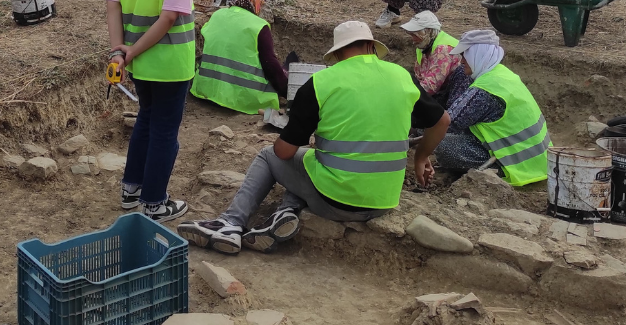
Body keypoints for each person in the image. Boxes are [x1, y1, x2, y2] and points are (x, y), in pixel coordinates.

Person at [178, 21, 450, 255]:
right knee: (309, 163)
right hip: (384, 201)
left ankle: (230, 223)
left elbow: (283, 152)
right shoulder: (402, 76)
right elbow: (442, 121)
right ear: (371, 47)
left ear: (338, 53)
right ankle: (284, 213)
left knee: (271, 156)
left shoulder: (322, 82)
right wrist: (421, 157)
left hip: (336, 202)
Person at [107, 0, 205, 222]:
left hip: (137, 61)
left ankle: (131, 191)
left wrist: (120, 52)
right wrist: (130, 53)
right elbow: (168, 18)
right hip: (169, 63)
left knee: (146, 121)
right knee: (165, 130)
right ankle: (154, 203)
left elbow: (113, 5)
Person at [434, 30, 549, 187]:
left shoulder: (485, 89)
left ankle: (495, 171)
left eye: (465, 55)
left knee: (443, 145)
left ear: (477, 54)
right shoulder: (501, 74)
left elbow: (448, 123)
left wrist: (415, 137)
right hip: (539, 160)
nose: (461, 61)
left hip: (516, 166)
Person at [191, 0, 289, 115]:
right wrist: (286, 90)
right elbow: (270, 65)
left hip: (206, 91)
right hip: (245, 100)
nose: (261, 6)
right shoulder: (258, 25)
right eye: (260, 1)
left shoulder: (217, 15)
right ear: (253, 0)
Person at [400, 10, 466, 105]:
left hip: (451, 95)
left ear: (428, 32)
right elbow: (420, 76)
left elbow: (431, 86)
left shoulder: (443, 50)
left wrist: (404, 96)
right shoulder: (424, 44)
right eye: (411, 35)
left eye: (415, 35)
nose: (413, 39)